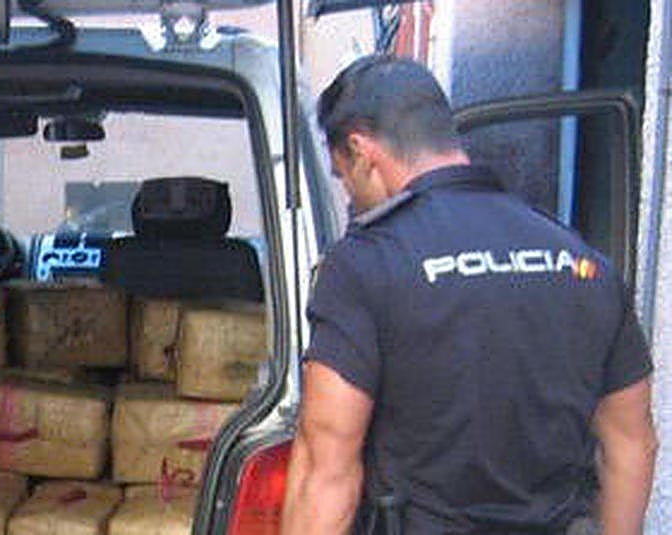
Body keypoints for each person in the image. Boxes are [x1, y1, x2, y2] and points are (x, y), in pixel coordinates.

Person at [280, 55, 656, 534]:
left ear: (361, 149)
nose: (350, 198)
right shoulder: (583, 262)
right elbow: (631, 444)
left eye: (343, 177)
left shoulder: (364, 265)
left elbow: (326, 471)